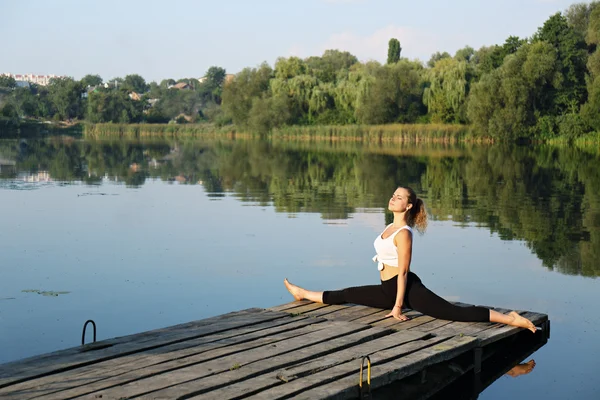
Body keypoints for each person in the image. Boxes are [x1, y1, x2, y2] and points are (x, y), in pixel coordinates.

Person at [284, 186, 537, 333]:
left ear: (408, 206)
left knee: (452, 313)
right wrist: (393, 300)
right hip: (388, 289)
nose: (393, 198)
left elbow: (403, 273)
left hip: (407, 290)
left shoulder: (404, 234)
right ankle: (303, 294)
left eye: (399, 197)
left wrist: (397, 306)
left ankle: (510, 318)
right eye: (393, 195)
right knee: (348, 293)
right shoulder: (388, 227)